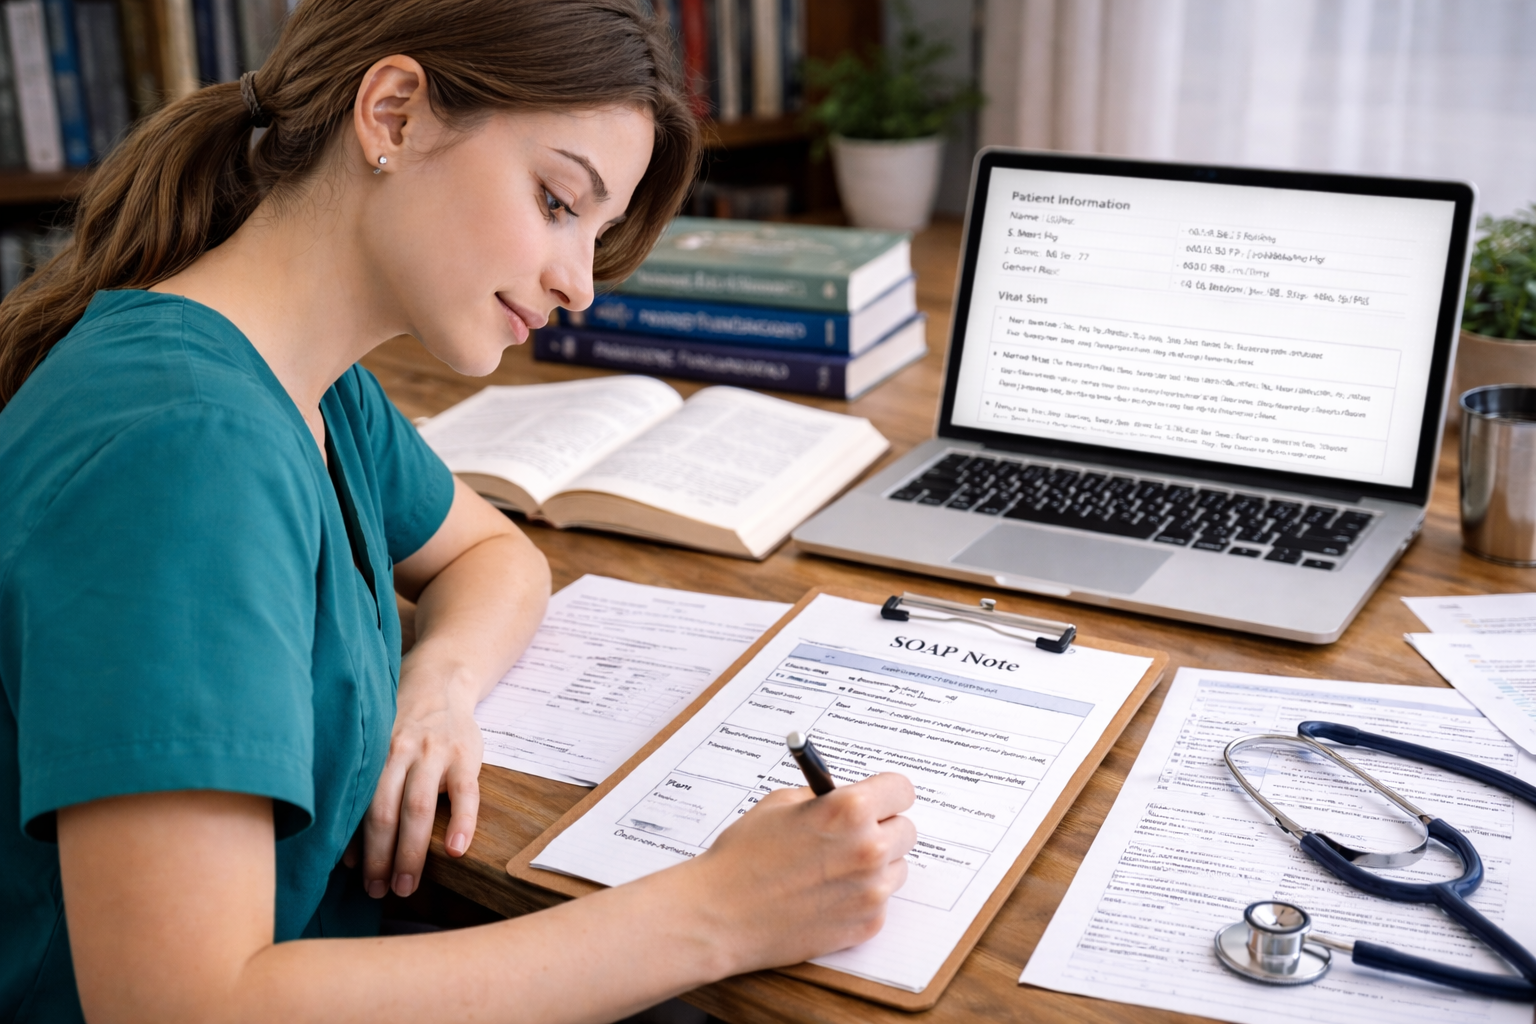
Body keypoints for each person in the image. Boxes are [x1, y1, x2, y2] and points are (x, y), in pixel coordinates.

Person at [0, 1, 917, 1021]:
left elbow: (491, 552)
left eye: (597, 235)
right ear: (392, 114)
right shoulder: (184, 456)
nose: (579, 285)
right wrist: (719, 911)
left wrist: (440, 684)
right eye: (558, 201)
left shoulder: (310, 383)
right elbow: (182, 1005)